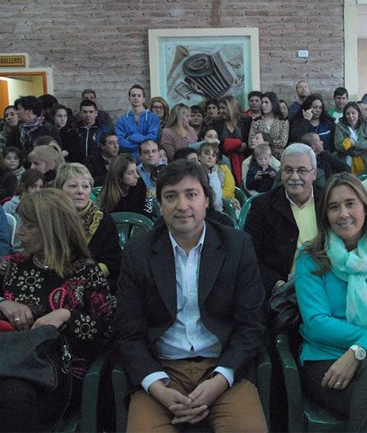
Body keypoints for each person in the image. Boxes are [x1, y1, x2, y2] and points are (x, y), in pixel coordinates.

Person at [115, 159, 267, 432]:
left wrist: (221, 378)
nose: (182, 206)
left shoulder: (236, 246)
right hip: (162, 370)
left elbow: (252, 324)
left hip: (223, 368)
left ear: (206, 200)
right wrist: (156, 386)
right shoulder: (139, 253)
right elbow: (128, 333)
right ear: (160, 205)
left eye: (191, 194)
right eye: (171, 197)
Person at [0, 189, 116, 432]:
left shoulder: (84, 273)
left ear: (51, 228)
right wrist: (0, 305)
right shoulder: (9, 266)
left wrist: (67, 316)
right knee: (9, 397)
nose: (19, 230)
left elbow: (109, 328)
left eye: (28, 225)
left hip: (54, 376)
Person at [295, 173, 367, 432]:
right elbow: (317, 323)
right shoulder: (309, 257)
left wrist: (359, 351)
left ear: (365, 207)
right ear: (324, 214)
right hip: (325, 358)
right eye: (333, 207)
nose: (343, 214)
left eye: (350, 204)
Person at [245, 143, 321, 297]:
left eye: (302, 170)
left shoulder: (328, 201)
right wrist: (276, 284)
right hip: (284, 291)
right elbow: (250, 254)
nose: (294, 177)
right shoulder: (263, 206)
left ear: (314, 174)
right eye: (288, 170)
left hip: (325, 285)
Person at [55, 162, 121, 291]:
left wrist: (84, 277)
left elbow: (112, 261)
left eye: (85, 186)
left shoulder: (102, 220)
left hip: (92, 283)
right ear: (59, 189)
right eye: (73, 186)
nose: (80, 191)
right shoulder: (50, 217)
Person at [97, 153, 151, 217]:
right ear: (119, 176)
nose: (137, 176)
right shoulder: (107, 196)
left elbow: (147, 215)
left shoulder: (140, 184)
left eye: (136, 171)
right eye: (131, 173)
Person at [114, 84, 160, 161]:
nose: (136, 98)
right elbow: (120, 142)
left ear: (144, 99)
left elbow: (153, 138)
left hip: (149, 159)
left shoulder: (153, 118)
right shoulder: (122, 120)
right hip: (129, 160)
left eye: (139, 95)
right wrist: (143, 144)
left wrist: (133, 137)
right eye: (133, 95)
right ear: (129, 98)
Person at [214, 95, 252, 184]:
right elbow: (216, 143)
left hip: (244, 159)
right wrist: (236, 144)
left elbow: (250, 140)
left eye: (223, 108)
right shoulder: (216, 123)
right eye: (220, 108)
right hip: (223, 160)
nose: (220, 111)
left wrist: (245, 145)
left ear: (231, 107)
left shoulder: (246, 121)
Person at [333, 101, 367, 175]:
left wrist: (355, 144)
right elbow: (338, 144)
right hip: (345, 162)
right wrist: (356, 152)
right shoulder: (339, 126)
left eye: (353, 113)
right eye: (347, 114)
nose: (350, 116)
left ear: (358, 114)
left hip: (365, 161)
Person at [198, 142, 236, 213]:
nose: (210, 157)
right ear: (199, 156)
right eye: (207, 154)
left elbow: (228, 191)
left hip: (223, 205)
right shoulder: (195, 172)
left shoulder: (221, 170)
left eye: (213, 155)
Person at [68, 99, 111, 164]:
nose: (88, 115)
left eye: (91, 112)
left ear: (96, 113)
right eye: (85, 112)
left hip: (99, 166)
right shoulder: (74, 129)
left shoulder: (104, 129)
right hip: (78, 166)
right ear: (80, 113)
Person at [249, 92, 289, 160]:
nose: (263, 105)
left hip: (277, 157)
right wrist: (274, 144)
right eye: (262, 102)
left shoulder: (283, 121)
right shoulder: (256, 121)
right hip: (259, 156)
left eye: (266, 102)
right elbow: (251, 142)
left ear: (273, 103)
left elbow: (283, 142)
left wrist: (264, 142)